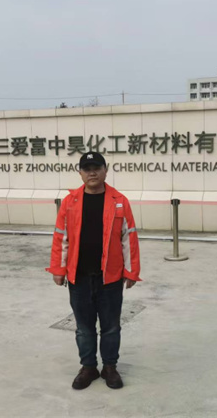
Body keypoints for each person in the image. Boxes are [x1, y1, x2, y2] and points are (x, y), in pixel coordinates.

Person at [46, 151, 141, 390]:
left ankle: (109, 367)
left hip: (110, 278)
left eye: (97, 168)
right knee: (84, 328)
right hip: (78, 277)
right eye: (87, 169)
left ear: (105, 170)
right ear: (80, 173)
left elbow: (128, 238)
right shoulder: (70, 202)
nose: (92, 173)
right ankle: (88, 367)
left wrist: (131, 271)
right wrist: (58, 268)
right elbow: (61, 238)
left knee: (111, 327)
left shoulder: (119, 201)